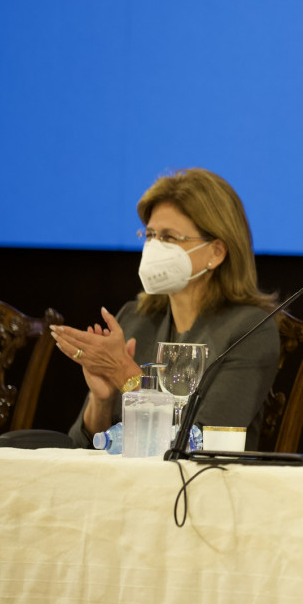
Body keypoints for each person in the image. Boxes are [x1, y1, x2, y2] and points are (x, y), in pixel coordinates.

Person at [53, 169, 280, 450]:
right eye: (150, 235)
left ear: (216, 252)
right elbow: (80, 448)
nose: (153, 247)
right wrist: (102, 399)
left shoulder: (251, 330)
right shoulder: (135, 318)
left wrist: (125, 375)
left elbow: (200, 441)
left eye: (169, 237)